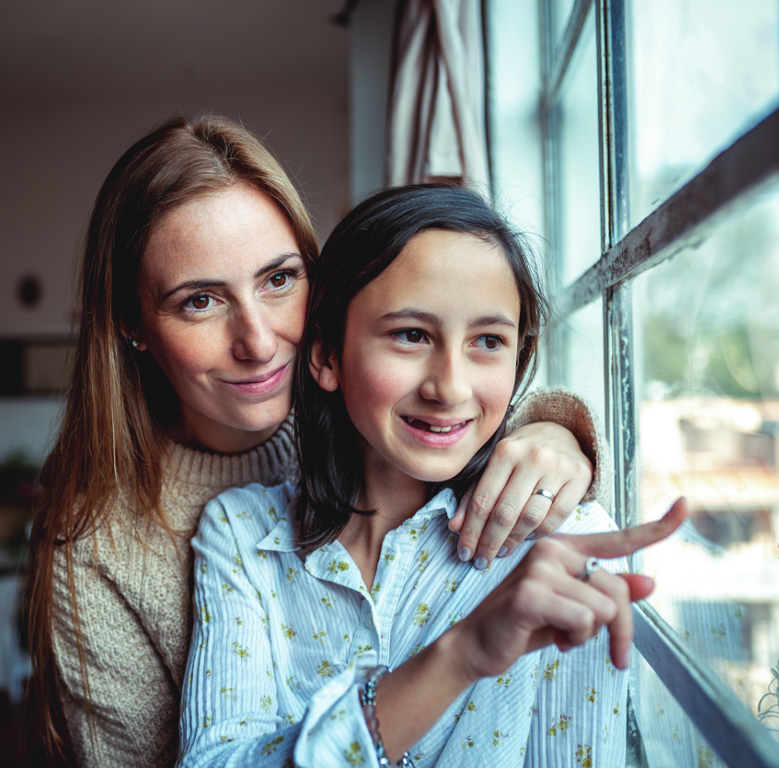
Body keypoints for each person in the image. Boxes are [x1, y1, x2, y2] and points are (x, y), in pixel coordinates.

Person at [25, 116, 607, 768]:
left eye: (279, 280)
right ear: (131, 321)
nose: (260, 341)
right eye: (199, 302)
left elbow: (450, 388)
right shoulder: (115, 548)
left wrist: (555, 430)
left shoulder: (372, 415)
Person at [179, 184, 688, 766]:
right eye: (411, 335)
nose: (449, 387)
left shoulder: (563, 545)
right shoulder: (242, 535)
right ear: (326, 355)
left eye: (487, 342)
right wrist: (459, 655)